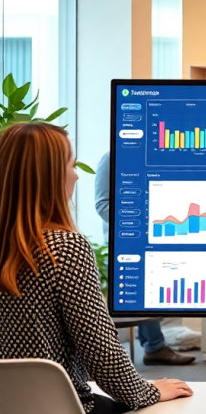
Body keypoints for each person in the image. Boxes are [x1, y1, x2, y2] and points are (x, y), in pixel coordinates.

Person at [0, 123, 192, 414]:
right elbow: (103, 357)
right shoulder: (64, 248)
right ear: (48, 176)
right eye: (71, 164)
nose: (76, 175)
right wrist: (150, 391)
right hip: (60, 406)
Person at [95, 153, 196, 366]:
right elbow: (102, 205)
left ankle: (153, 345)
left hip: (158, 234)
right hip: (128, 240)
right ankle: (153, 347)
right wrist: (137, 219)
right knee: (140, 291)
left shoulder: (158, 157)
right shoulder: (111, 158)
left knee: (151, 291)